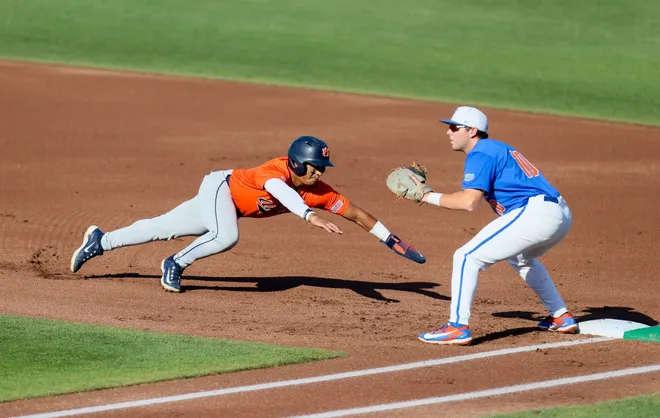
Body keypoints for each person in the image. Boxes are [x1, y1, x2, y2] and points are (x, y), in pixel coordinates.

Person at [71, 136, 425, 292]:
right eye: (317, 167)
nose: (321, 173)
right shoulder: (274, 172)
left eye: (323, 168)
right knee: (225, 236)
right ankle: (175, 264)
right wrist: (307, 215)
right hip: (219, 188)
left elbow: (358, 214)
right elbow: (279, 192)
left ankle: (100, 240)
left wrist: (389, 239)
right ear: (299, 162)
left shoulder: (319, 192)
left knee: (161, 227)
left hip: (229, 204)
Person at [411, 106, 578, 345]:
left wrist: (425, 196)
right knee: (520, 259)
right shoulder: (495, 148)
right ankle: (561, 316)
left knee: (466, 257)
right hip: (558, 214)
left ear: (472, 131)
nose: (448, 132)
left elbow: (468, 202)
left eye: (454, 127)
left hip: (536, 213)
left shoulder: (481, 153)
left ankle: (457, 326)